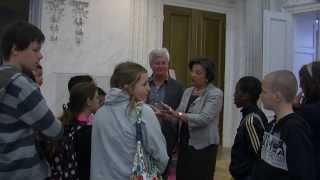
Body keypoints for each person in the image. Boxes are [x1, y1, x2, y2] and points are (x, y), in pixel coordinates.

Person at [0, 21, 63, 179]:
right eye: (35, 50)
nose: (40, 56)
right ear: (15, 49)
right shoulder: (20, 84)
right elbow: (55, 130)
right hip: (23, 172)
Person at [90, 61, 169, 180]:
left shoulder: (99, 113)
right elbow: (161, 156)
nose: (149, 88)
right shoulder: (143, 111)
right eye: (144, 84)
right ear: (128, 87)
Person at [162, 57, 223, 180]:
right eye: (192, 71)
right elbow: (179, 115)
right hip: (184, 143)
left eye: (198, 73)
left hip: (203, 146)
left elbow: (203, 119)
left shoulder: (215, 94)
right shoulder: (188, 91)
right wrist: (166, 115)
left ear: (208, 76)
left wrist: (177, 114)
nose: (193, 75)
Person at [251, 70, 316, 180]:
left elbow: (303, 172)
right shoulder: (272, 124)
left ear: (277, 96)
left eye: (264, 92)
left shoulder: (295, 129)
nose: (260, 95)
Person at [48, 82, 100, 180]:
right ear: (88, 101)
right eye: (97, 97)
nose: (99, 101)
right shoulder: (85, 131)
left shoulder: (66, 124)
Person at [146, 48, 184, 178]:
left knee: (165, 170)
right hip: (146, 133)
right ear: (151, 65)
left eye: (164, 63)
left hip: (168, 134)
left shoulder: (178, 87)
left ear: (168, 64)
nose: (161, 66)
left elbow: (181, 113)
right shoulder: (143, 83)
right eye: (157, 63)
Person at [229, 76, 268, 180]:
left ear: (246, 95)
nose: (234, 95)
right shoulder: (253, 115)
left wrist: (240, 170)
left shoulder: (251, 120)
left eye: (237, 91)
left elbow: (259, 154)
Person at [295, 61, 320, 180]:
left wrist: (295, 108)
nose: (300, 86)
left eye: (303, 82)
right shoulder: (307, 104)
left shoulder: (308, 110)